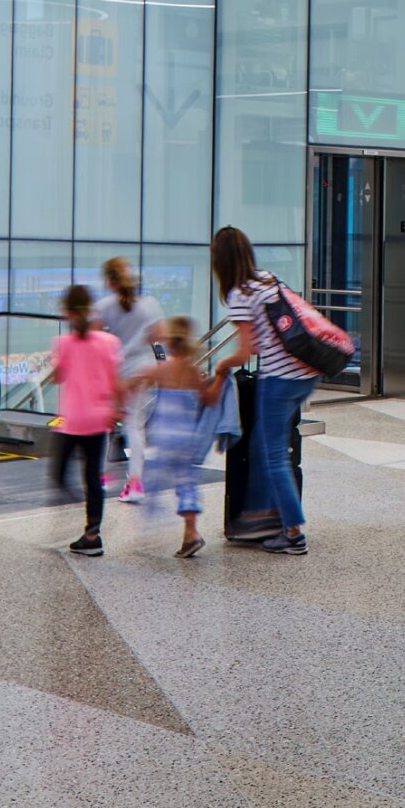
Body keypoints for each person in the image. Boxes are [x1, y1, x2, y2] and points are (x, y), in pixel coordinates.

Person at [213, 225, 317, 556]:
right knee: (264, 446)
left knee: (271, 455)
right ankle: (263, 515)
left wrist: (220, 365)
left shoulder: (239, 294)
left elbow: (246, 351)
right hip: (305, 372)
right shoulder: (268, 279)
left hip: (280, 379)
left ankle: (291, 531)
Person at [47, 283, 122, 556]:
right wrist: (117, 409)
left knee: (58, 473)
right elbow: (116, 381)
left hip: (71, 421)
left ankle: (71, 506)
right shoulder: (109, 342)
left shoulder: (63, 343)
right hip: (99, 420)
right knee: (93, 477)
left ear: (67, 313)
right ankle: (93, 534)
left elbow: (58, 376)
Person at [143, 316, 223, 558]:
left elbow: (136, 381)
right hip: (187, 439)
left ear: (170, 343)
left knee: (153, 477)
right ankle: (191, 532)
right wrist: (219, 378)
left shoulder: (163, 369)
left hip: (164, 438)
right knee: (186, 483)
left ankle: (154, 513)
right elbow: (209, 399)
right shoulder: (192, 371)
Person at [91, 256, 162, 504]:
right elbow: (159, 336)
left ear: (110, 281)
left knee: (104, 424)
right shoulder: (150, 304)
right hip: (143, 371)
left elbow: (94, 341)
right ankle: (134, 483)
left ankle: (99, 478)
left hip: (116, 371)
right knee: (135, 427)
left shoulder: (104, 306)